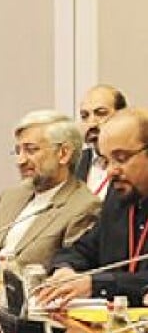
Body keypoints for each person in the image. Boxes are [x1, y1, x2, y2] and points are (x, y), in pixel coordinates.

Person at [37, 108, 148, 308]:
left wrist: (96, 285)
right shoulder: (118, 197)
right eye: (106, 161)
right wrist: (65, 269)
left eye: (121, 158)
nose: (111, 171)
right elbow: (83, 249)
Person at [0, 110, 99, 271]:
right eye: (18, 151)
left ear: (63, 153)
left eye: (31, 150)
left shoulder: (84, 207)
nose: (20, 161)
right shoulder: (11, 195)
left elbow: (65, 272)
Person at [76, 84, 127, 199]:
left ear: (122, 116)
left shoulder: (137, 163)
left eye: (101, 113)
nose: (91, 123)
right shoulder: (73, 164)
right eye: (85, 116)